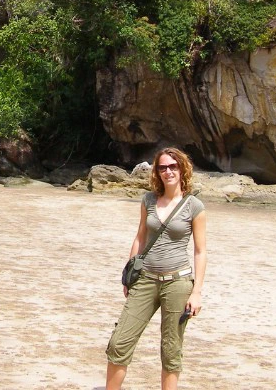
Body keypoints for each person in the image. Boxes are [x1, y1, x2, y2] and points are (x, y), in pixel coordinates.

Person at [105, 147, 207, 390]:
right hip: (146, 279)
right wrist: (130, 275)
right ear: (157, 172)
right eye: (162, 167)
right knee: (119, 343)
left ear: (182, 169)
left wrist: (197, 292)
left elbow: (200, 250)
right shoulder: (148, 200)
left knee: (171, 350)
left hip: (178, 282)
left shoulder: (194, 206)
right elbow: (140, 237)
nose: (168, 171)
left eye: (173, 166)